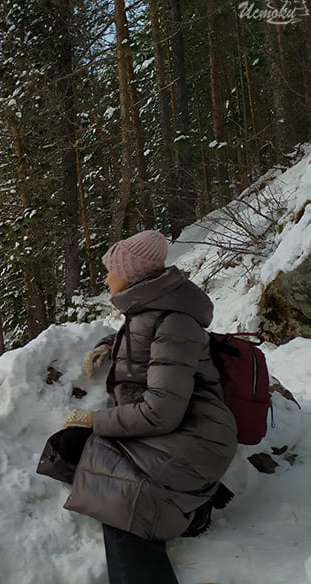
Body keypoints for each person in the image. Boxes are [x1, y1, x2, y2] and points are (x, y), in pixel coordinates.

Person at [61, 230, 238, 584]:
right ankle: (192, 503)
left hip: (195, 433)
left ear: (131, 275)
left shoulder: (175, 321)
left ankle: (190, 505)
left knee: (121, 501)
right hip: (175, 427)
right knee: (68, 449)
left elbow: (161, 410)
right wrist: (110, 344)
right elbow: (147, 341)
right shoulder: (152, 310)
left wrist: (97, 419)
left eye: (111, 270)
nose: (106, 277)